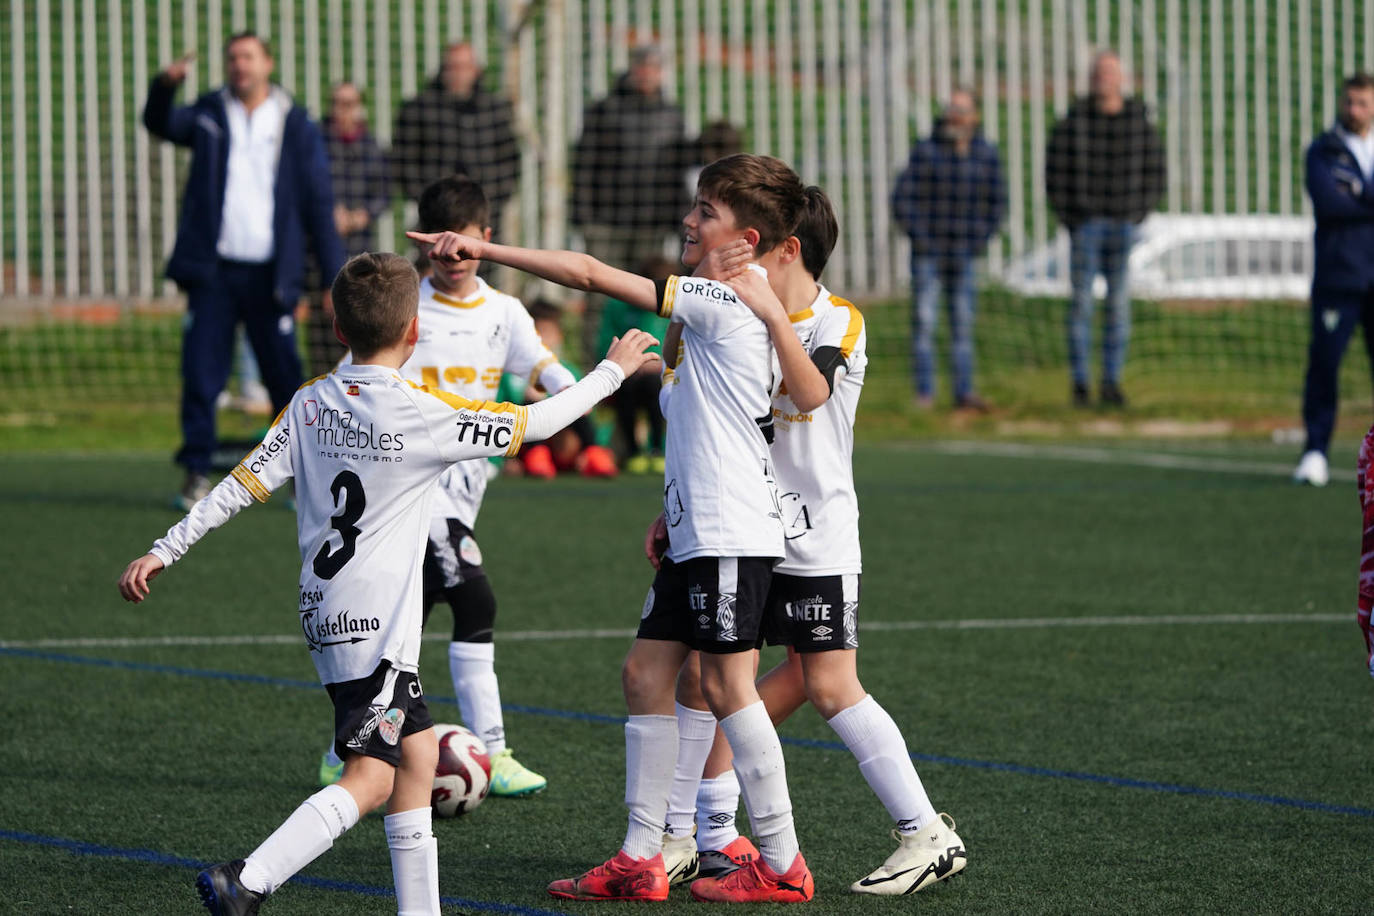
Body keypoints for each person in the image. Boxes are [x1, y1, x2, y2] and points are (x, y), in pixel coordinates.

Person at [116, 251, 657, 916]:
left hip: (326, 612)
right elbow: (538, 422)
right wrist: (613, 370)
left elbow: (239, 486)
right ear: (414, 333)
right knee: (369, 777)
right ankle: (249, 880)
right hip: (372, 630)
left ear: (339, 330)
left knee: (419, 754)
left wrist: (164, 549)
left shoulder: (309, 403)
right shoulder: (423, 414)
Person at [411, 153, 816, 904]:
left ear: (746, 237)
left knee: (728, 686)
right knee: (645, 676)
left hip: (732, 532)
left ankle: (784, 861)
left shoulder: (719, 300)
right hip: (699, 530)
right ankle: (640, 856)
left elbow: (590, 273)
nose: (689, 220)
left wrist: (487, 251)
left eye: (706, 212)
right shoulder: (730, 303)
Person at [653, 191, 967, 897]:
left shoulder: (835, 319)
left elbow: (808, 392)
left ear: (784, 251)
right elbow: (695, 420)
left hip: (813, 534)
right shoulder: (729, 314)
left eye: (750, 250)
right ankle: (703, 835)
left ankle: (923, 832)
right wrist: (669, 509)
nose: (734, 261)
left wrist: (757, 311)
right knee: (706, 679)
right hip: (738, 525)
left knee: (820, 681)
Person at [316, 175, 568, 797]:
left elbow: (542, 367)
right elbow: (347, 390)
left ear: (487, 239)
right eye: (440, 248)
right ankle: (496, 749)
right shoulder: (403, 311)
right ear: (425, 243)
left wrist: (577, 391)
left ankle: (341, 750)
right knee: (475, 602)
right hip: (409, 500)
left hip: (464, 496)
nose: (453, 261)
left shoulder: (505, 313)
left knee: (407, 625)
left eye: (466, 247)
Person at [142, 32, 345, 509]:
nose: (239, 65)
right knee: (202, 374)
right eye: (232, 57)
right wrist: (164, 86)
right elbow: (160, 122)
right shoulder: (210, 112)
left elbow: (318, 201)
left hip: (272, 277)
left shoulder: (295, 123)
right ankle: (196, 473)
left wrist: (334, 277)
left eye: (248, 56)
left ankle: (299, 477)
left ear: (268, 63)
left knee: (284, 378)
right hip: (214, 273)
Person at [1045, 49, 1165, 408]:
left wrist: (1137, 212)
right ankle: (1080, 386)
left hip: (1124, 224)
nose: (1104, 78)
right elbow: (1054, 174)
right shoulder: (1073, 122)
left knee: (1118, 306)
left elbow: (1156, 172)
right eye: (1099, 72)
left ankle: (1112, 383)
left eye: (1111, 72)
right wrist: (1072, 216)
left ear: (1122, 79)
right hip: (1086, 225)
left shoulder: (1138, 122)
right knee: (1081, 305)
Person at [571, 44, 687, 362]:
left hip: (651, 223)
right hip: (607, 220)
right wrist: (582, 213)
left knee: (645, 296)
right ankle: (593, 364)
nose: (647, 74)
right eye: (642, 66)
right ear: (633, 69)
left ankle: (642, 364)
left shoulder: (671, 115)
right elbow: (584, 162)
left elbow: (676, 170)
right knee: (599, 297)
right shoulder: (605, 110)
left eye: (654, 67)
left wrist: (676, 218)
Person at [893, 88, 1006, 410]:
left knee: (962, 323)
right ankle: (925, 394)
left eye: (962, 109)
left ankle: (963, 393)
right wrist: (922, 237)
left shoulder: (985, 155)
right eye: (951, 108)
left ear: (975, 117)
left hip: (964, 253)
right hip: (929, 251)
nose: (955, 115)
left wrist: (977, 240)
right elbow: (903, 199)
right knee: (925, 322)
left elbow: (997, 204)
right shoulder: (926, 152)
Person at [1294, 73, 1374, 487]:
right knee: (1325, 365)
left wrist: (1359, 196)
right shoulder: (1324, 150)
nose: (1355, 110)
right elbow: (1330, 204)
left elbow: (1351, 202)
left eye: (1363, 103)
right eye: (1350, 103)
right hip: (1339, 276)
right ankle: (1315, 451)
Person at [391, 42, 521, 241]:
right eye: (452, 67)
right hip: (437, 217)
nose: (458, 74)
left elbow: (510, 160)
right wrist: (429, 201)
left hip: (484, 215)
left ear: (476, 71)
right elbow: (404, 161)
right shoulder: (420, 109)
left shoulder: (495, 110)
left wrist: (489, 202)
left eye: (464, 67)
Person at [307, 81, 391, 376]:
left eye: (348, 103)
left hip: (358, 249)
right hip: (319, 253)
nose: (341, 110)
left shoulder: (371, 148)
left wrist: (360, 216)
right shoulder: (317, 143)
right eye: (336, 103)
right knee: (321, 330)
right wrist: (325, 214)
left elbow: (384, 196)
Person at [505, 299, 619, 479]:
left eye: (547, 333)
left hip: (563, 444)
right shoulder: (510, 373)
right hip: (524, 444)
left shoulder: (568, 371)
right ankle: (536, 456)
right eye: (536, 333)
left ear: (559, 336)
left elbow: (589, 414)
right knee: (533, 402)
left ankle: (593, 452)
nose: (542, 340)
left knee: (576, 401)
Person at [597, 256, 674, 474]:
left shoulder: (679, 305)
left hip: (664, 375)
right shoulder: (619, 305)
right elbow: (606, 341)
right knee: (626, 385)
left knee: (653, 386)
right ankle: (633, 451)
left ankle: (657, 450)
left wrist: (662, 365)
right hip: (628, 372)